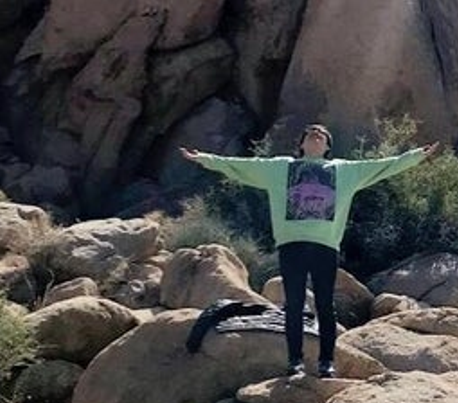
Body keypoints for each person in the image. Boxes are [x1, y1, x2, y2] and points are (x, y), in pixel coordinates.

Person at [180, 124, 440, 378]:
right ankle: (295, 362)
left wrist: (416, 156)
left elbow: (384, 166)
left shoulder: (344, 170)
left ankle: (326, 363)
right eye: (311, 134)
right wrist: (204, 158)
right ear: (301, 144)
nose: (316, 135)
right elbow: (240, 166)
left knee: (325, 306)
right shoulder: (280, 168)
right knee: (293, 305)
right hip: (291, 246)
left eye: (322, 135)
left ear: (327, 147)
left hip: (325, 247)